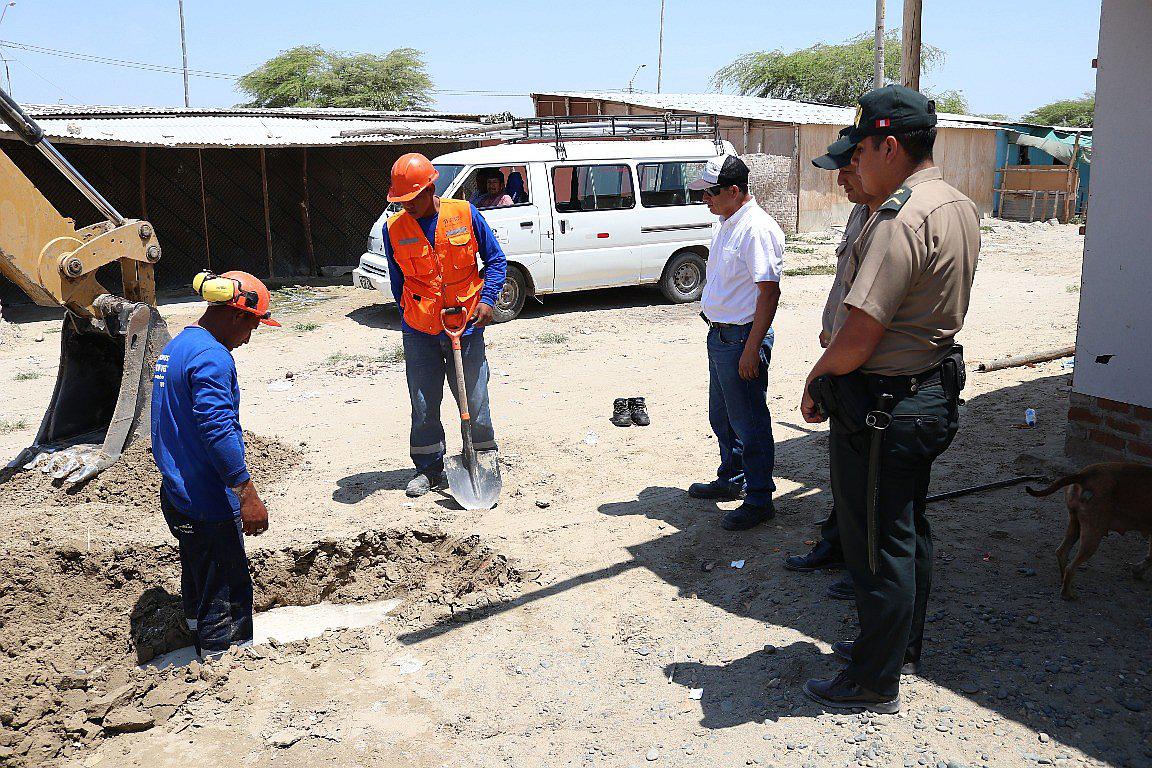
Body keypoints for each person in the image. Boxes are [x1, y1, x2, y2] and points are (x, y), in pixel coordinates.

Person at [800, 86, 979, 713]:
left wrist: (818, 377)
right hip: (928, 391)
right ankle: (900, 648)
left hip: (885, 404)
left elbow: (860, 332)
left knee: (877, 544)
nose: (855, 164)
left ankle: (874, 680)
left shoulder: (901, 215)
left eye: (863, 149)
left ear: (890, 145)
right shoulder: (955, 202)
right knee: (907, 527)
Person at [151, 270, 280, 658]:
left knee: (200, 579)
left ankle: (196, 647)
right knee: (226, 590)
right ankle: (228, 672)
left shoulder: (180, 344)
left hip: (177, 491)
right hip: (207, 497)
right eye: (253, 326)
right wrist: (246, 493)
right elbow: (217, 430)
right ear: (239, 316)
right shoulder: (212, 357)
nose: (248, 338)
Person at [784, 130, 878, 603]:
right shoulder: (861, 214)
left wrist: (821, 373)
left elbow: (870, 317)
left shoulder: (890, 220)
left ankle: (866, 566)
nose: (841, 178)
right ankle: (838, 544)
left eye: (847, 166)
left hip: (863, 368)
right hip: (843, 359)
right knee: (845, 470)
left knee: (868, 477)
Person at [383, 153, 508, 497]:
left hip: (465, 326)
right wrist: (414, 318)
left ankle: (482, 460)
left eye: (411, 199)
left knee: (475, 399)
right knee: (423, 403)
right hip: (419, 331)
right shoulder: (393, 228)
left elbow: (496, 260)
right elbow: (399, 284)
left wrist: (487, 300)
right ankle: (428, 469)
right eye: (400, 200)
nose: (406, 206)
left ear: (431, 188)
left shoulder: (464, 214)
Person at [685, 155, 785, 531]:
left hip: (742, 337)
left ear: (734, 190)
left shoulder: (757, 228)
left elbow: (769, 293)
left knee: (750, 421)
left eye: (710, 192)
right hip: (721, 335)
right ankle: (732, 477)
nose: (705, 199)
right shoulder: (728, 222)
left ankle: (760, 497)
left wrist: (751, 348)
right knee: (723, 416)